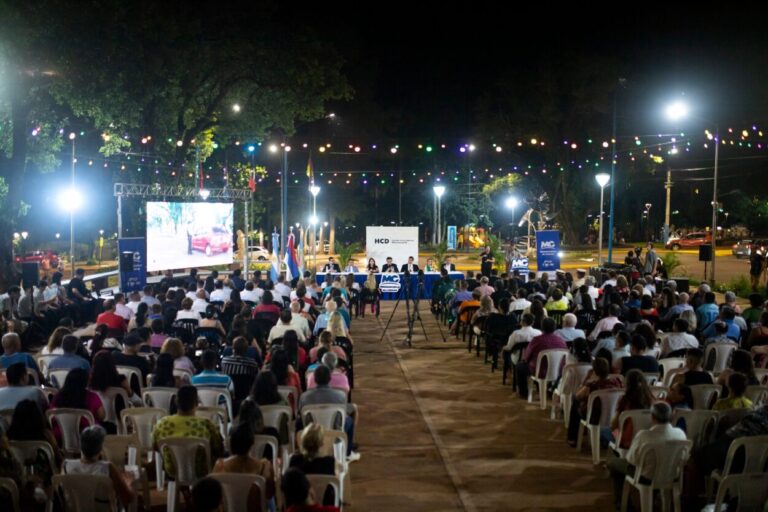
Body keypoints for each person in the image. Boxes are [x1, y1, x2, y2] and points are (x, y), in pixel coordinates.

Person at [607, 403, 686, 509]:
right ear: (671, 416)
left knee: (613, 463)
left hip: (646, 477)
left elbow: (631, 460)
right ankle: (657, 498)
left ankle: (620, 501)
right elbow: (684, 458)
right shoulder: (680, 434)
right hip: (671, 476)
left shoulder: (644, 435)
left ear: (652, 417)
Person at [152, 386, 223, 478]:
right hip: (201, 471)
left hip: (173, 471)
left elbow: (155, 446)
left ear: (176, 402)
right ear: (196, 403)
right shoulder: (206, 424)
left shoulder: (161, 424)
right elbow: (219, 448)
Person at [298, 365, 359, 462]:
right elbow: (343, 414)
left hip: (311, 430)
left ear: (315, 379)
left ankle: (301, 450)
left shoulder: (304, 397)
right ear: (330, 379)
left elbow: (300, 413)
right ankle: (348, 452)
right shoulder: (340, 396)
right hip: (334, 429)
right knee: (349, 420)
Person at [212, 422, 275, 505]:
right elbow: (269, 495)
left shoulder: (220, 466)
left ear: (231, 443)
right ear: (252, 444)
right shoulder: (264, 467)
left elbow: (215, 495)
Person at [566, 358, 622, 445]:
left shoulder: (593, 385)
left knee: (575, 401)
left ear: (594, 371)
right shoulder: (616, 382)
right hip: (613, 414)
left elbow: (578, 395)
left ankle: (572, 438)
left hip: (595, 417)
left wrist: (587, 379)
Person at [516, 318, 568, 399]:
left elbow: (526, 357)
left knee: (519, 366)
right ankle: (551, 388)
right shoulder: (561, 341)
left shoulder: (536, 340)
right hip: (557, 371)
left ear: (542, 327)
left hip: (539, 371)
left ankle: (523, 393)